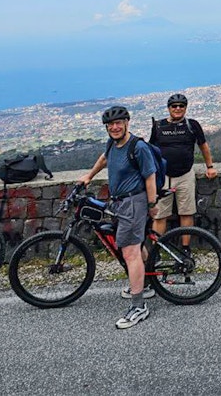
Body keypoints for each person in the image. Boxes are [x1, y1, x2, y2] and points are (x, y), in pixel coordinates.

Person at [79, 105, 158, 329]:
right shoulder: (113, 144)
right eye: (110, 124)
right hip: (119, 202)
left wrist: (152, 205)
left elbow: (150, 177)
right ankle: (148, 284)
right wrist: (89, 175)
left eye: (118, 123)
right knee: (137, 245)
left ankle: (139, 306)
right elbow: (104, 158)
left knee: (130, 252)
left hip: (134, 202)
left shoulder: (138, 147)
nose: (114, 127)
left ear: (127, 123)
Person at [150, 93, 217, 244]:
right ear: (169, 108)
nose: (178, 108)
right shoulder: (158, 126)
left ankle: (185, 248)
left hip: (185, 175)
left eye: (181, 106)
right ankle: (156, 249)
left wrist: (210, 166)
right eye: (174, 106)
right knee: (160, 215)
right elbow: (151, 151)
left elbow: (203, 146)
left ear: (186, 108)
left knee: (186, 213)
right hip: (163, 176)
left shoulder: (192, 125)